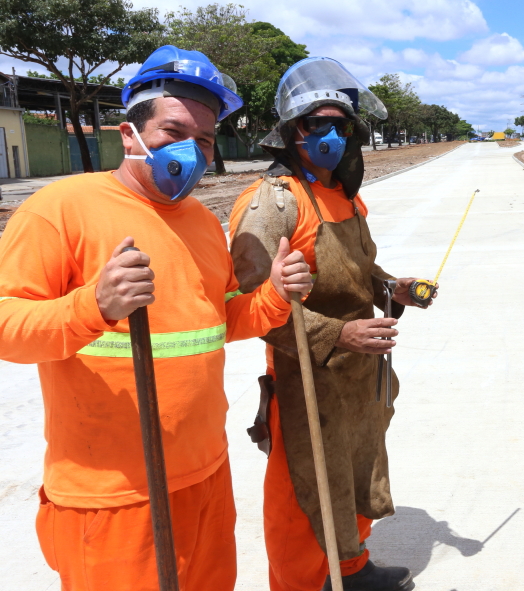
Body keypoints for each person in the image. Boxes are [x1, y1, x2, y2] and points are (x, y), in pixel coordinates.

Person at [0, 45, 313, 590]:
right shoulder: (60, 208)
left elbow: (220, 321)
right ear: (130, 135)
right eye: (175, 132)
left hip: (204, 476)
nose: (193, 150)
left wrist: (277, 296)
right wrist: (92, 307)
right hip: (115, 494)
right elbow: (7, 327)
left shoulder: (199, 222)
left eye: (208, 139)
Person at [228, 57, 432, 591]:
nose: (331, 135)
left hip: (358, 375)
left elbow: (362, 271)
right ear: (293, 132)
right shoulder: (270, 203)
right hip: (304, 379)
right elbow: (253, 306)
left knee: (356, 471)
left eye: (340, 125)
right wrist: (338, 334)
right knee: (305, 493)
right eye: (317, 123)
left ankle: (352, 569)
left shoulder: (342, 194)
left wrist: (394, 288)